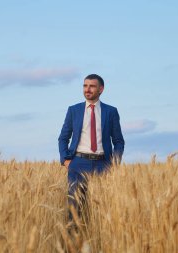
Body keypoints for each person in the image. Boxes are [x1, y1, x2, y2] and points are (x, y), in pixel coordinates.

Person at [58, 74, 125, 219]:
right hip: (78, 164)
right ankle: (74, 241)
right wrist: (65, 160)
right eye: (85, 86)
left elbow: (119, 141)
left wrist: (114, 164)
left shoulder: (111, 112)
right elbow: (63, 137)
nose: (87, 89)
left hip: (103, 164)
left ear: (101, 89)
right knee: (74, 211)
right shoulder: (73, 110)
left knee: (102, 211)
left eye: (92, 86)